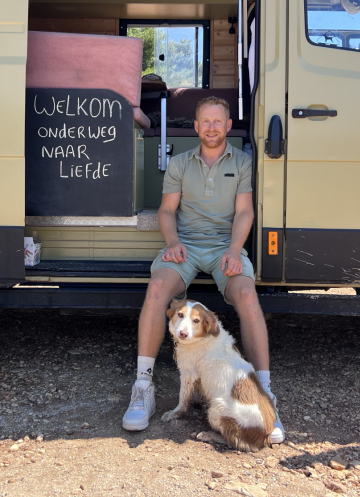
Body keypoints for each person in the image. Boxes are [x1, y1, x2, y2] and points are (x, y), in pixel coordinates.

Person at [121, 96, 284, 443]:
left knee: (246, 294)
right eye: (205, 122)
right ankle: (143, 386)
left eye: (217, 121)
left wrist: (235, 250)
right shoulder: (180, 163)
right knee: (157, 289)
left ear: (227, 126)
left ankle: (264, 394)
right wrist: (173, 241)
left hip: (226, 246)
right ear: (195, 127)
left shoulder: (242, 162)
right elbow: (167, 211)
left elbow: (244, 213)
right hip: (187, 246)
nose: (211, 127)